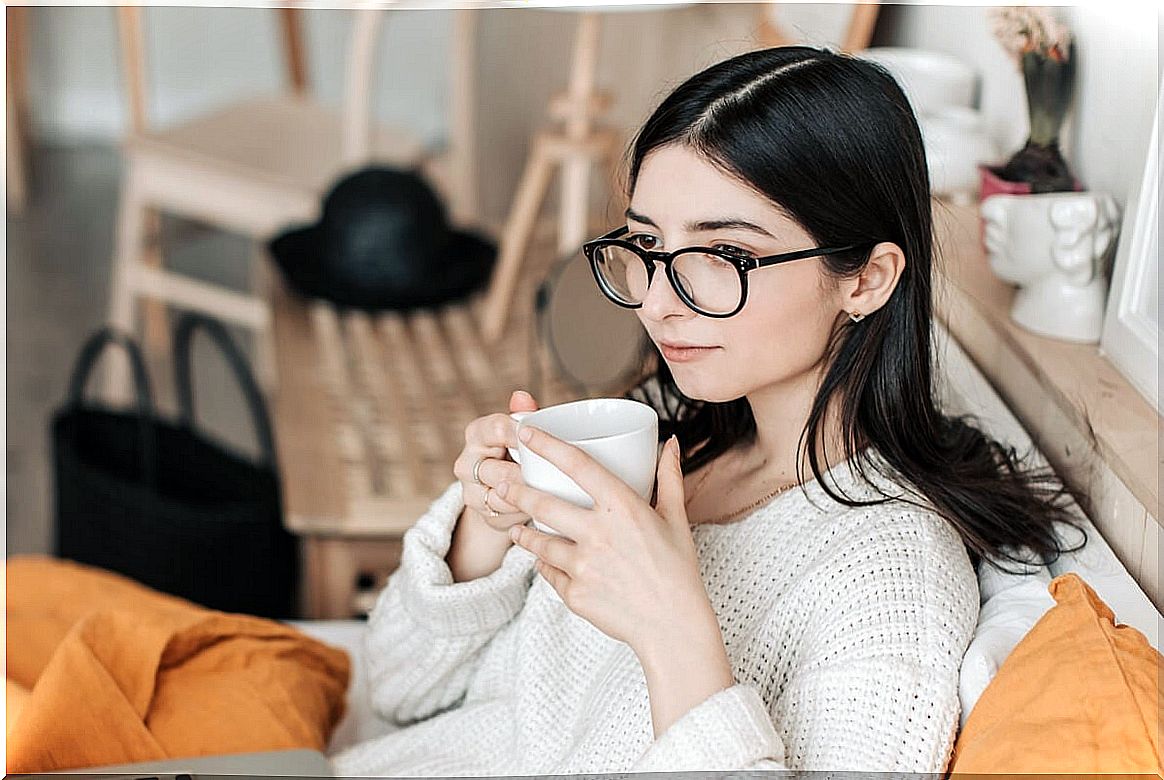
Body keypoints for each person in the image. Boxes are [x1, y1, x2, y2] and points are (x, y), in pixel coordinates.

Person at [331, 45, 1084, 775]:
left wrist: (671, 629)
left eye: (722, 256)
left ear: (867, 280)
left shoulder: (892, 579)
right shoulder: (662, 435)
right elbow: (398, 689)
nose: (657, 303)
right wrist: (483, 531)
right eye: (646, 245)